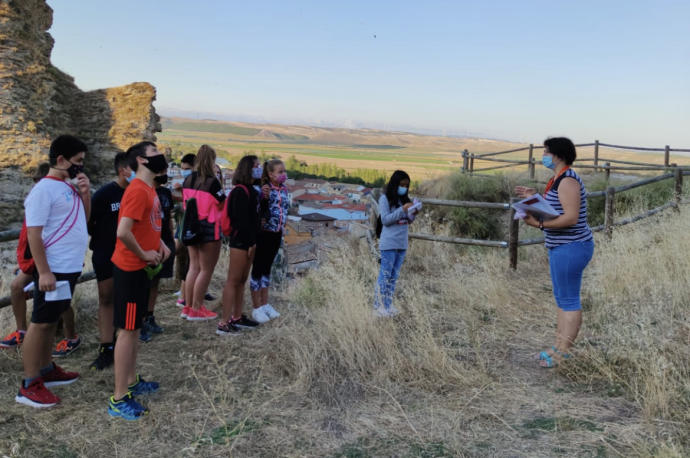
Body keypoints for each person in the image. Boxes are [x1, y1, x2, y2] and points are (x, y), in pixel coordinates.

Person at [15, 135, 90, 408]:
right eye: (78, 162)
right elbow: (34, 234)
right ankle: (29, 383)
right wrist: (44, 272)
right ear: (61, 160)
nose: (80, 167)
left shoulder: (68, 187)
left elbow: (84, 219)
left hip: (67, 267)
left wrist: (85, 193)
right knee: (42, 322)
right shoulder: (43, 191)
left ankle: (46, 369)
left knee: (52, 317)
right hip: (54, 269)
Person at [514, 137, 594, 368]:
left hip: (571, 247)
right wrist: (533, 196)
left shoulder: (568, 181)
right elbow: (555, 206)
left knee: (568, 299)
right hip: (562, 246)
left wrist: (539, 225)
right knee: (561, 298)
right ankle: (558, 345)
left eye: (546, 152)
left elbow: (570, 217)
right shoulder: (557, 179)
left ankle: (564, 352)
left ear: (558, 155)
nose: (544, 155)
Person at [108, 141, 170, 420]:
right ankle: (119, 398)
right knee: (127, 331)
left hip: (142, 268)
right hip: (131, 269)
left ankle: (132, 380)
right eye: (155, 153)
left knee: (133, 328)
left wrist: (160, 246)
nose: (162, 156)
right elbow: (123, 232)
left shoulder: (150, 189)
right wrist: (144, 253)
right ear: (142, 161)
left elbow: (148, 225)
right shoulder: (137, 191)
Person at [87, 153, 133, 370]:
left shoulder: (139, 192)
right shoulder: (105, 194)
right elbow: (89, 221)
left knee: (129, 299)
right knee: (106, 297)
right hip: (106, 253)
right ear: (123, 169)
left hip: (132, 255)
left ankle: (126, 340)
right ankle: (107, 347)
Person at [1, 163, 50, 349]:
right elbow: (26, 236)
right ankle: (23, 331)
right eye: (35, 180)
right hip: (34, 260)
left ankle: (23, 332)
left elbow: (36, 235)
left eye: (38, 179)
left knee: (55, 297)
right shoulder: (37, 198)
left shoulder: (44, 199)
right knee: (51, 296)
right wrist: (22, 262)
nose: (35, 183)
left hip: (43, 260)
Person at [217, 155, 261, 335]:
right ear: (247, 169)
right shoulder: (240, 192)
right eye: (256, 166)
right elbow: (241, 221)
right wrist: (250, 242)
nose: (259, 169)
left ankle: (237, 316)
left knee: (242, 281)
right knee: (233, 281)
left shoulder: (251, 190)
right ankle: (224, 322)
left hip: (249, 242)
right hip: (241, 242)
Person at [180, 145, 224, 321]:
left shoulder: (188, 180)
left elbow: (185, 204)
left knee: (194, 267)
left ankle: (188, 307)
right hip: (209, 229)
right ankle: (197, 309)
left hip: (191, 227)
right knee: (206, 270)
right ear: (212, 161)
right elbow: (222, 203)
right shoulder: (212, 183)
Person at [375, 170, 418, 318]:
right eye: (402, 185)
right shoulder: (384, 199)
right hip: (389, 243)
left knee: (393, 276)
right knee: (385, 275)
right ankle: (378, 306)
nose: (404, 188)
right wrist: (402, 209)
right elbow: (385, 220)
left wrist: (413, 212)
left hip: (402, 243)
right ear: (395, 184)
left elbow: (407, 221)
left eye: (406, 185)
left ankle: (388, 305)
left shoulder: (404, 199)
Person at [249, 159, 288, 323]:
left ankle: (265, 304)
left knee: (267, 270)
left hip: (276, 233)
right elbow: (257, 211)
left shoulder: (284, 189)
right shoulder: (263, 190)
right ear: (270, 174)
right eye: (280, 172)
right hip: (263, 234)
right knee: (257, 270)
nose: (283, 174)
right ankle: (256, 307)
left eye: (284, 171)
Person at [144, 168, 176, 337]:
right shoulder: (143, 192)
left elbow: (168, 217)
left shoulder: (165, 192)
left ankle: (149, 316)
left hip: (164, 241)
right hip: (148, 243)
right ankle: (140, 321)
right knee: (143, 283)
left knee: (156, 281)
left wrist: (170, 239)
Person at [173, 153, 195, 308]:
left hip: (189, 227)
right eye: (182, 169)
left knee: (190, 261)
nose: (184, 171)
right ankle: (183, 292)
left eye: (187, 169)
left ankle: (185, 294)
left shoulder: (196, 183)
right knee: (182, 256)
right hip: (182, 225)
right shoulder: (186, 182)